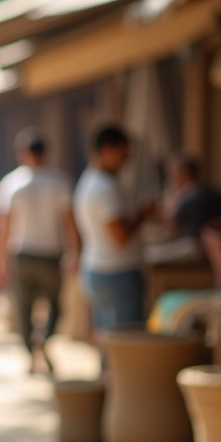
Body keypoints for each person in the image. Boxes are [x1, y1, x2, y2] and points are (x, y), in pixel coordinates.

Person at [0, 129, 78, 375]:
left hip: (22, 253)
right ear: (46, 153)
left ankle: (32, 352)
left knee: (24, 307)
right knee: (55, 304)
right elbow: (68, 222)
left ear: (22, 154)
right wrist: (74, 252)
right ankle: (44, 338)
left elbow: (3, 226)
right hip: (51, 253)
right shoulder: (60, 181)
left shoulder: (11, 183)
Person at [73, 125, 155, 331]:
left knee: (109, 342)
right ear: (108, 150)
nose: (128, 159)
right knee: (125, 343)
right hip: (116, 272)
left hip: (97, 268)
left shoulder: (89, 180)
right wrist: (143, 214)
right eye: (124, 153)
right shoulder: (105, 187)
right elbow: (119, 236)